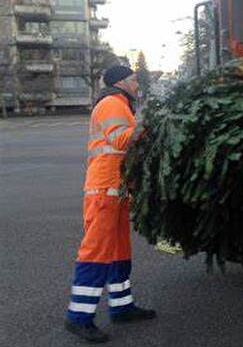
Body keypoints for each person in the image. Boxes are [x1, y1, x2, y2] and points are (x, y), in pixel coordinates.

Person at [65, 66, 155, 343]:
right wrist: (153, 123)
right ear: (121, 82)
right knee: (96, 250)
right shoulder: (112, 103)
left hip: (116, 188)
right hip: (104, 188)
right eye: (133, 80)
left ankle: (122, 306)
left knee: (118, 249)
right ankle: (78, 318)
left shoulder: (120, 103)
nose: (137, 85)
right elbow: (122, 139)